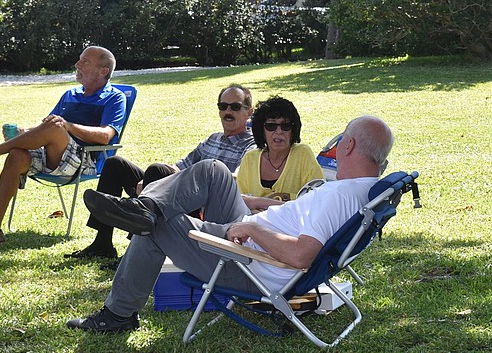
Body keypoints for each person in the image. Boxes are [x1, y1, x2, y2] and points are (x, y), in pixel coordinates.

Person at [67, 115, 394, 333]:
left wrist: (252, 229)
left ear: (348, 146)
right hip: (253, 239)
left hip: (248, 263)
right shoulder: (364, 192)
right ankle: (147, 206)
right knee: (213, 171)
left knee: (157, 226)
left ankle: (118, 314)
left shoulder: (338, 196)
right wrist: (257, 207)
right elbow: (301, 219)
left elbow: (300, 256)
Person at [0, 46, 126, 249]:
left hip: (85, 160)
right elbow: (46, 128)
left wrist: (68, 125)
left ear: (103, 71)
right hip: (52, 154)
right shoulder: (70, 94)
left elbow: (106, 136)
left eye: (85, 62)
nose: (77, 65)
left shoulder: (115, 98)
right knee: (17, 155)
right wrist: (24, 132)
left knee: (56, 126)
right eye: (79, 60)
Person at [68, 84, 256, 260]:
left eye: (235, 107)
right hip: (177, 196)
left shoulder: (251, 147)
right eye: (223, 106)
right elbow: (181, 166)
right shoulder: (213, 139)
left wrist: (158, 183)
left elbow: (238, 180)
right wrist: (152, 184)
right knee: (115, 164)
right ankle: (102, 243)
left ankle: (135, 251)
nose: (228, 112)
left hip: (204, 209)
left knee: (156, 172)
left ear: (249, 112)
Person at [236, 96, 324, 211]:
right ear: (261, 130)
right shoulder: (250, 158)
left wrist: (285, 196)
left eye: (285, 126)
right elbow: (239, 202)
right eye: (271, 126)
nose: (279, 132)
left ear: (293, 131)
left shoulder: (302, 154)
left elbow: (320, 196)